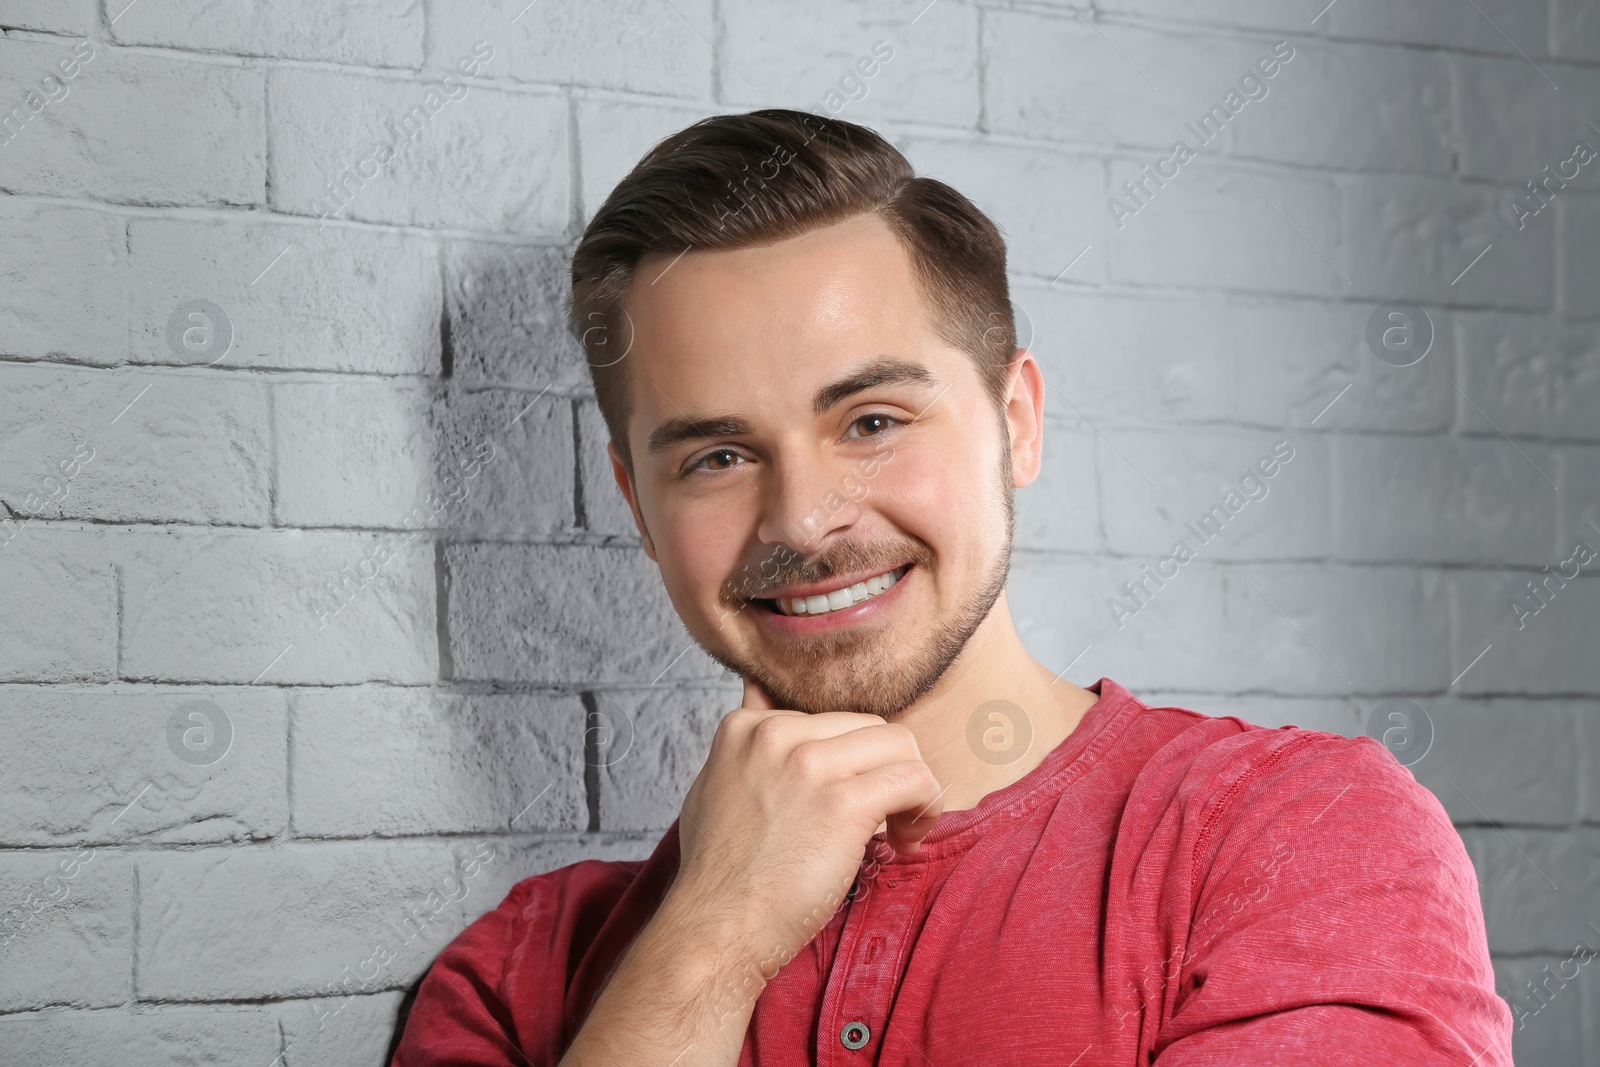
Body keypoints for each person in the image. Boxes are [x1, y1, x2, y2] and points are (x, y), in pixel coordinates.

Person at [390, 108, 1511, 1066]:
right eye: (718, 456)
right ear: (637, 503)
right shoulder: (520, 971)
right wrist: (707, 944)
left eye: (871, 421)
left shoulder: (1295, 837)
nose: (803, 518)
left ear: (1015, 421)